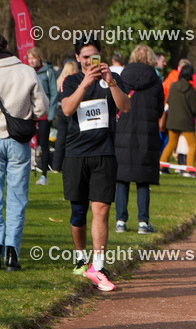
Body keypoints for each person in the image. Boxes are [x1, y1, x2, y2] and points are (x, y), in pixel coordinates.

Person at [53, 37, 130, 290]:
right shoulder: (71, 81)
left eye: (94, 55)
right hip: (76, 154)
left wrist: (112, 83)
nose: (89, 61)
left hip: (104, 153)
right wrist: (85, 84)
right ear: (77, 58)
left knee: (102, 209)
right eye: (85, 57)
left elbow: (125, 106)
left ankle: (98, 265)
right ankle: (80, 256)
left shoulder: (112, 80)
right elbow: (66, 109)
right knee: (78, 211)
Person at [0, 34, 49, 270]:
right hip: (18, 139)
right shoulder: (27, 71)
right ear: (7, 47)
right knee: (17, 199)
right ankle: (12, 252)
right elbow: (42, 107)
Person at [115, 44, 164, 234]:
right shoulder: (155, 81)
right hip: (147, 132)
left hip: (124, 131)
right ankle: (143, 221)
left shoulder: (123, 79)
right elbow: (160, 110)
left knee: (122, 178)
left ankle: (121, 220)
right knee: (143, 179)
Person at [160, 64, 196, 174]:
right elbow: (194, 108)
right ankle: (190, 169)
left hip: (172, 120)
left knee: (171, 143)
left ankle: (162, 165)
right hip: (186, 122)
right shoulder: (191, 90)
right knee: (192, 145)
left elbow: (168, 101)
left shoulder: (173, 86)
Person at [26, 48, 59, 185]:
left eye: (34, 58)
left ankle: (44, 175)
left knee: (44, 145)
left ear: (39, 58)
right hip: (30, 113)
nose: (32, 61)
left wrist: (51, 114)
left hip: (45, 114)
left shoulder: (48, 72)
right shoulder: (27, 72)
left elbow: (53, 93)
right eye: (29, 59)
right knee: (26, 143)